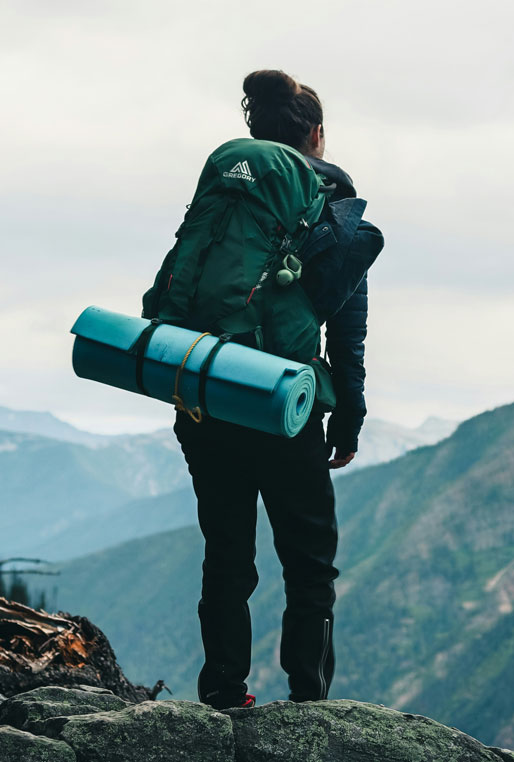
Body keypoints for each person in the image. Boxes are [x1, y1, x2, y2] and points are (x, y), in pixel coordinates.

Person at [172, 69, 383, 709]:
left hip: (202, 383)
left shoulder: (230, 189)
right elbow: (346, 337)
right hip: (278, 399)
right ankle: (307, 704)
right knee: (309, 561)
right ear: (316, 135)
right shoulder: (331, 205)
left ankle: (223, 692)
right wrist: (346, 423)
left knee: (227, 551)